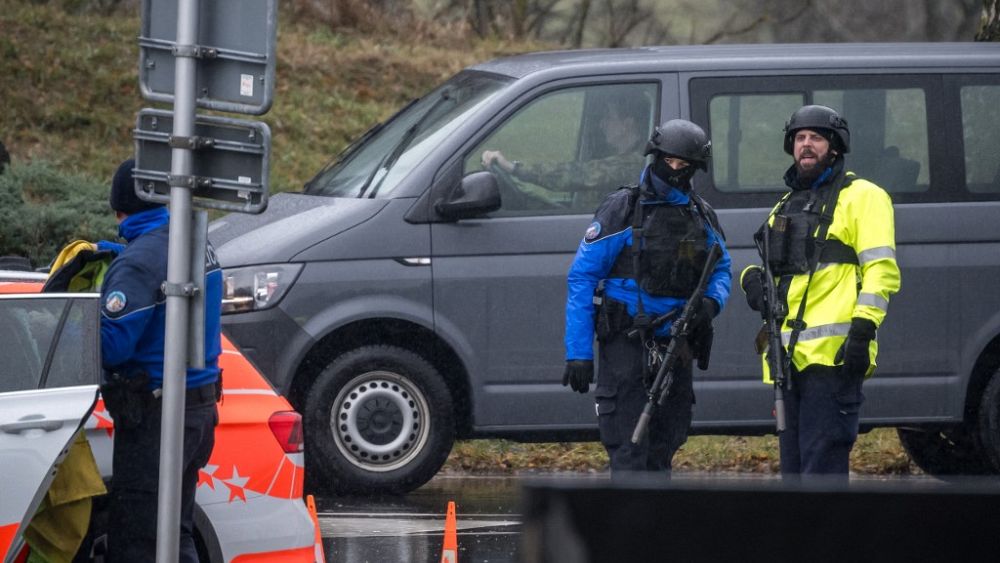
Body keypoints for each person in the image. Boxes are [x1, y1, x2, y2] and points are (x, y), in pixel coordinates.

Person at [562, 119, 732, 476]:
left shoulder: (700, 215)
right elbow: (583, 276)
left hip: (677, 344)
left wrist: (710, 304)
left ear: (694, 169)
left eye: (682, 166)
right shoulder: (622, 209)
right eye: (667, 161)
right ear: (654, 156)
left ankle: (655, 529)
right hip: (627, 343)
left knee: (663, 447)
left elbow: (721, 269)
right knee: (628, 448)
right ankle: (627, 529)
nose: (673, 171)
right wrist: (578, 353)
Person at [740, 105, 901, 480]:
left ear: (835, 146)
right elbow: (771, 269)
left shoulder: (864, 196)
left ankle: (831, 541)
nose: (806, 145)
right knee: (795, 476)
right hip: (788, 361)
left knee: (822, 471)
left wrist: (863, 330)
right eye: (799, 138)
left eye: (816, 137)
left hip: (834, 360)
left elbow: (881, 270)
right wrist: (750, 280)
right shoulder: (786, 204)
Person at [100, 158, 222, 562]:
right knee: (173, 534)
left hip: (157, 419)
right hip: (198, 410)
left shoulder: (138, 263)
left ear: (119, 209)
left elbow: (113, 347)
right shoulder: (191, 242)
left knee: (139, 540)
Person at [481, 91, 649, 209]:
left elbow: (577, 175)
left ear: (628, 125)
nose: (602, 124)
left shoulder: (633, 164)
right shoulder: (622, 158)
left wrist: (514, 169)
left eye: (609, 117)